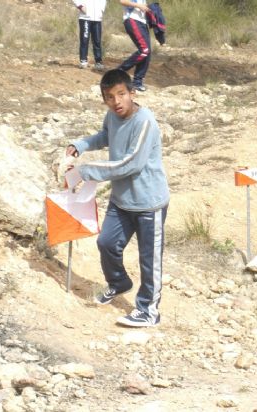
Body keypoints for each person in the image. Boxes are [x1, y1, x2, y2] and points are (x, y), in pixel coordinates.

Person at [66, 69, 170, 328]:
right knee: (106, 243)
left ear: (132, 93)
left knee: (149, 259)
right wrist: (81, 144)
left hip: (149, 203)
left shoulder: (145, 121)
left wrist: (85, 172)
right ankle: (119, 282)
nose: (116, 102)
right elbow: (104, 137)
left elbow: (130, 165)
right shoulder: (112, 116)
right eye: (109, 97)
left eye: (121, 94)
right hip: (122, 200)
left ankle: (148, 311)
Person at [117, 0, 151, 92]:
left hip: (142, 22)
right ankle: (119, 71)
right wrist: (139, 6)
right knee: (144, 50)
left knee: (148, 52)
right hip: (132, 19)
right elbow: (122, 1)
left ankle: (137, 82)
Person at [72, 0, 106, 70]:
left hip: (97, 18)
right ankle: (83, 61)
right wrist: (80, 6)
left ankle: (98, 62)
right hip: (85, 17)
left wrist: (102, 9)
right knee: (84, 40)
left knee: (97, 40)